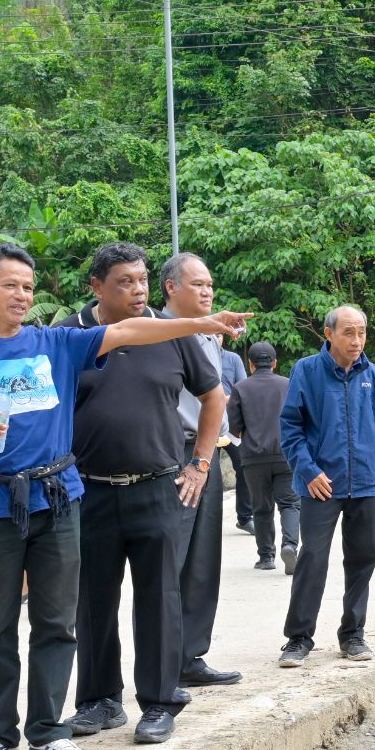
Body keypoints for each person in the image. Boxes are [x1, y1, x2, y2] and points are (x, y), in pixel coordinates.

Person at [0, 243, 245, 750]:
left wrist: (201, 323)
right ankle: (0, 730)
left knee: (58, 621)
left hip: (64, 497)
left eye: (28, 286)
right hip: (0, 500)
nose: (22, 295)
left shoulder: (55, 342)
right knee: (0, 623)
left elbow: (130, 332)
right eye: (9, 285)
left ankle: (50, 729)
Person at [64, 243, 224, 746]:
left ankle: (158, 702)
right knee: (92, 600)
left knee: (159, 597)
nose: (138, 291)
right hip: (89, 491)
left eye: (143, 280)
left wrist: (200, 462)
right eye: (125, 282)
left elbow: (213, 396)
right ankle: (99, 700)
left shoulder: (171, 331)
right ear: (97, 286)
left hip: (158, 487)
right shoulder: (70, 335)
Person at [277, 304, 375, 668]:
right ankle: (298, 638)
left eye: (362, 332)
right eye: (348, 333)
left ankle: (353, 634)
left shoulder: (374, 376)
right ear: (328, 334)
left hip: (364, 482)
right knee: (312, 558)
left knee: (363, 559)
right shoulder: (307, 371)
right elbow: (290, 427)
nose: (357, 340)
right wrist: (308, 470)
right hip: (320, 485)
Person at [160, 252, 246, 689]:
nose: (208, 291)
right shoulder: (156, 331)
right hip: (174, 454)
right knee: (170, 564)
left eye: (210, 285)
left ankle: (191, 656)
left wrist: (206, 457)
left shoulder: (209, 333)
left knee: (202, 560)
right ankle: (163, 665)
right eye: (198, 284)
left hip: (206, 453)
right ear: (171, 287)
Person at [230, 341, 300, 572]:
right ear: (274, 363)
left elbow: (234, 427)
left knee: (261, 509)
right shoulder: (288, 384)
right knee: (290, 504)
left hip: (253, 458)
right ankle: (290, 545)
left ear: (250, 364)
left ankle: (266, 557)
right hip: (285, 455)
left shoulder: (240, 388)